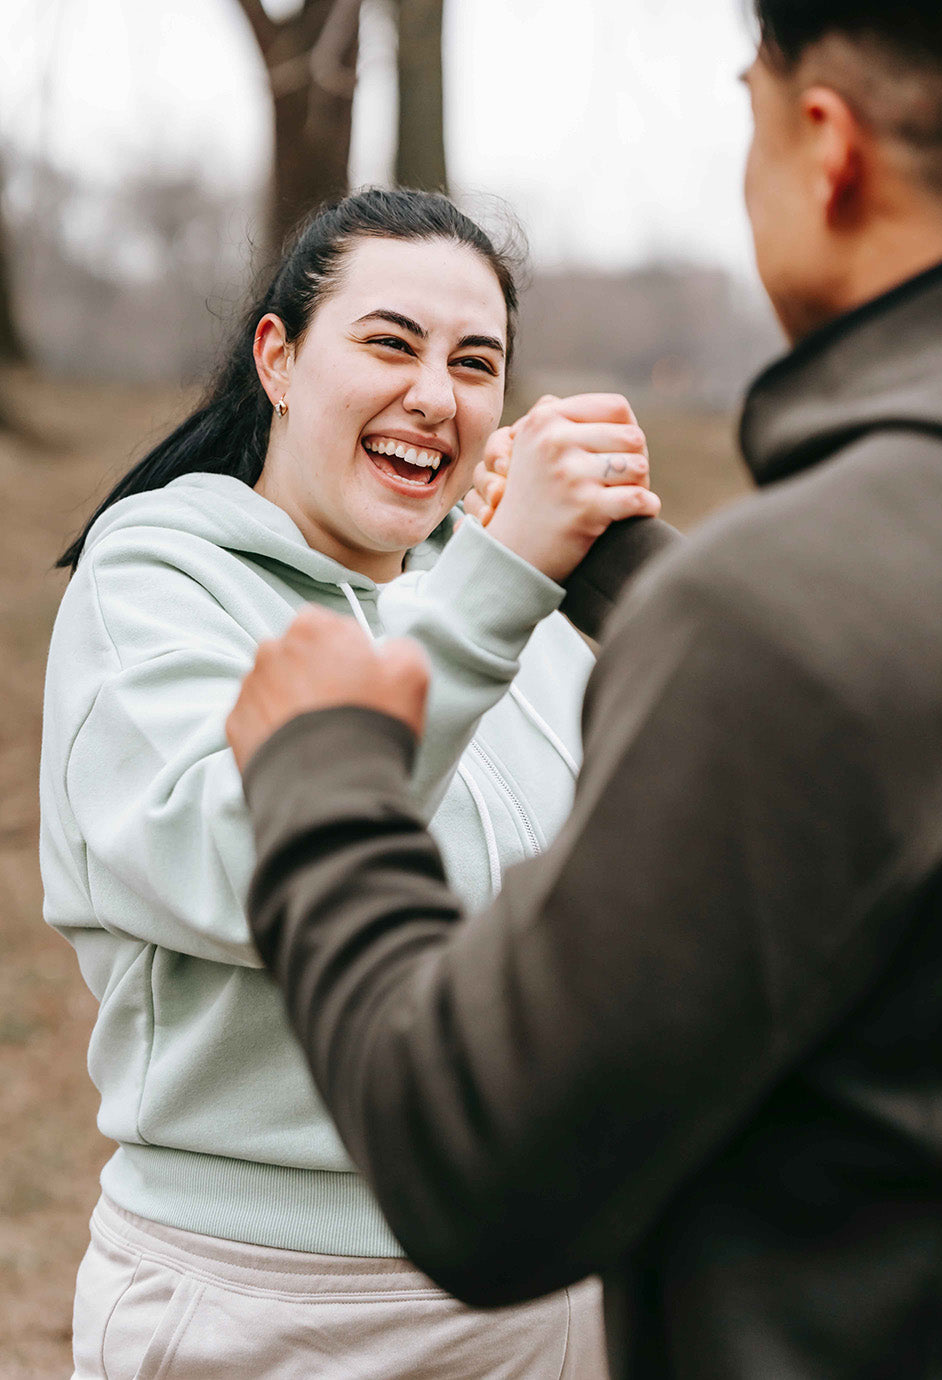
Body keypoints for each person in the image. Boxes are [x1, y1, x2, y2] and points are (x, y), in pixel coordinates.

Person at [226, 0, 942, 1377]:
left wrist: (324, 787)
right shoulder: (825, 595)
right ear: (280, 357)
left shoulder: (783, 617)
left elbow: (484, 1169)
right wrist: (636, 580)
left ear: (825, 146)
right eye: (386, 341)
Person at [39, 186, 663, 1379]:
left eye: (475, 363)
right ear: (277, 359)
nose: (435, 394)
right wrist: (492, 587)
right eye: (389, 342)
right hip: (267, 1311)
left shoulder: (509, 610)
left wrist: (631, 592)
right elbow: (239, 872)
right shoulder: (152, 588)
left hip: (546, 1292)